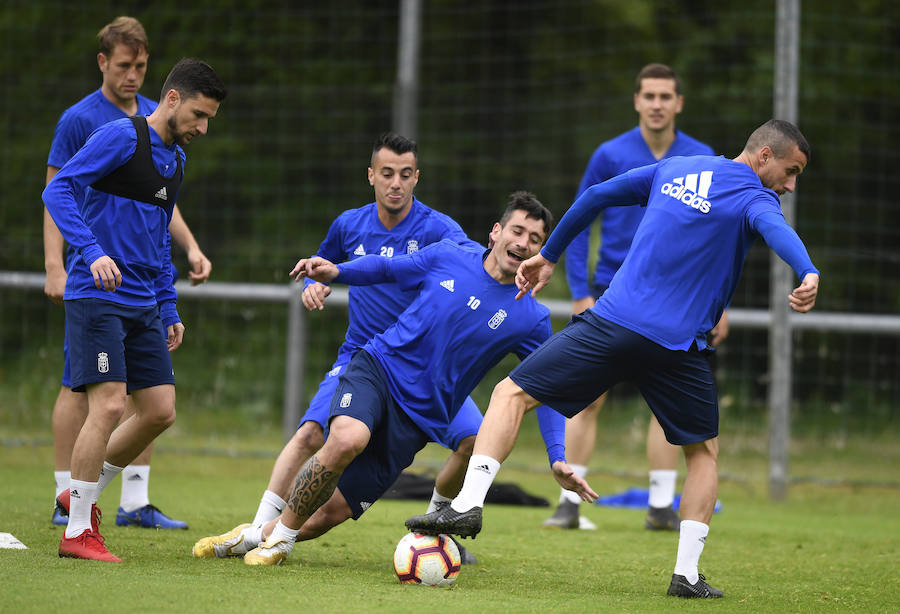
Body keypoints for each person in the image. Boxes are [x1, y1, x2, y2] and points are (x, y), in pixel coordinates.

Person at [406, 119, 819, 599]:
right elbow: (777, 231)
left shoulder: (675, 169)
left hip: (613, 323)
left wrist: (552, 254)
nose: (790, 185)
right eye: (790, 171)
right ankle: (686, 575)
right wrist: (807, 269)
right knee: (703, 453)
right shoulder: (754, 197)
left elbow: (597, 195)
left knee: (510, 394)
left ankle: (469, 502)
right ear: (764, 156)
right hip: (675, 346)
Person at [205, 193, 584, 567]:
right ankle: (280, 542)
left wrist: (557, 457)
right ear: (495, 232)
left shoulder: (531, 317)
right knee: (347, 439)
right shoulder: (449, 255)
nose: (523, 243)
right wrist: (337, 271)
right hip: (379, 369)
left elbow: (540, 389)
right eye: (517, 231)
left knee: (330, 514)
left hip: (418, 419)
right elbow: (388, 269)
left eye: (535, 239)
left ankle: (254, 535)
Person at [192, 132, 487, 564]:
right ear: (371, 175)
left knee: (474, 440)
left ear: (417, 177)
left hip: (423, 368)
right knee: (311, 433)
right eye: (387, 173)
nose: (396, 184)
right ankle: (259, 531)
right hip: (362, 360)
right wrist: (314, 285)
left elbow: (475, 262)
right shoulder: (349, 224)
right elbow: (323, 263)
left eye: (406, 175)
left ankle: (437, 529)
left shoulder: (439, 230)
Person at [43, 57, 227, 562]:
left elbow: (156, 238)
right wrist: (91, 251)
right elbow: (57, 189)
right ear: (172, 99)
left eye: (209, 119)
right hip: (97, 293)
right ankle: (77, 530)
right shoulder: (120, 137)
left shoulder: (177, 161)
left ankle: (78, 493)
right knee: (106, 404)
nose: (202, 128)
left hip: (145, 302)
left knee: (159, 411)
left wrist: (169, 307)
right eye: (198, 115)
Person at [545, 63, 725, 532]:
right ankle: (570, 505)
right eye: (649, 95)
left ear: (679, 103)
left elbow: (720, 242)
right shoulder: (610, 153)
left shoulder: (703, 157)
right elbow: (585, 214)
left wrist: (716, 306)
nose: (658, 104)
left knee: (667, 405)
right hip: (611, 293)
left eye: (666, 96)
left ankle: (661, 506)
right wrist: (581, 292)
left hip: (676, 300)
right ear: (637, 101)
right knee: (587, 398)